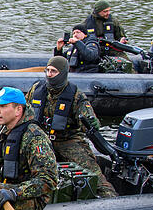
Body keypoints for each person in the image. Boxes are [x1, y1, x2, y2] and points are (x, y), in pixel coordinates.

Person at [26, 57, 117, 198]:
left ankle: (109, 198)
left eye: (54, 71)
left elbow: (89, 120)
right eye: (48, 70)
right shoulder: (36, 89)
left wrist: (91, 122)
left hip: (68, 141)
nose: (49, 74)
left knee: (92, 172)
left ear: (62, 73)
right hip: (43, 141)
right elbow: (25, 112)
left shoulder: (76, 95)